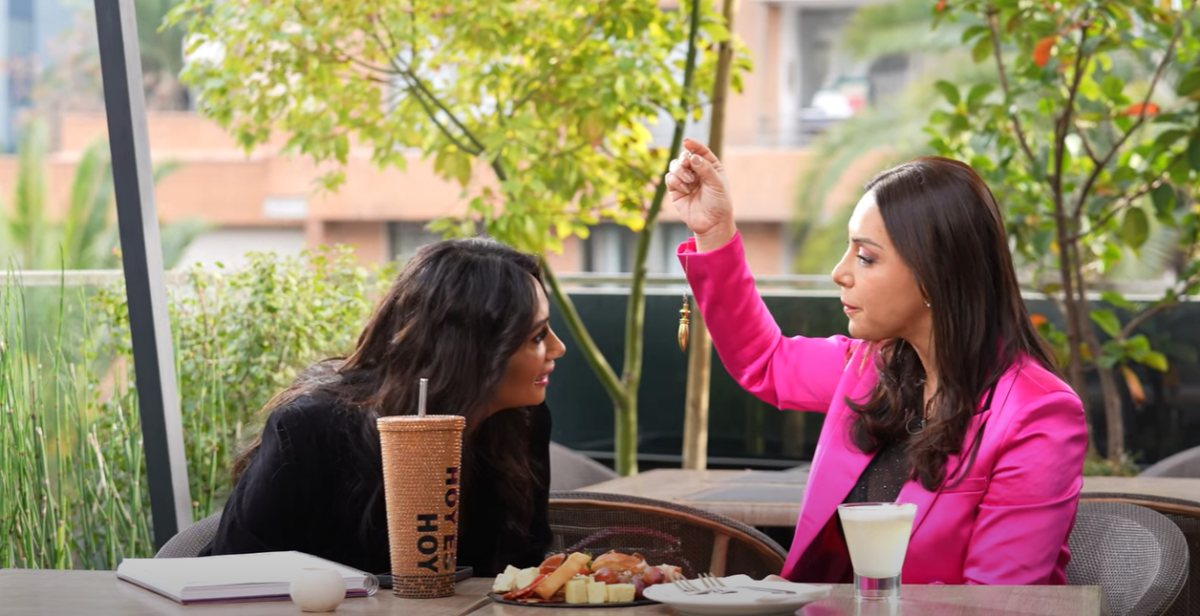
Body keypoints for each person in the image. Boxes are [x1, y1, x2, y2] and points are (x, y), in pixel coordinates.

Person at [665, 140, 1087, 585]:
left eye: (865, 257)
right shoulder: (871, 365)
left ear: (935, 274)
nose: (839, 273)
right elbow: (766, 361)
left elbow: (996, 605)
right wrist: (715, 233)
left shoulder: (1038, 415)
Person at [202, 237, 568, 577]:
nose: (558, 348)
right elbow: (233, 577)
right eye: (537, 336)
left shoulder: (522, 421)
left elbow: (523, 573)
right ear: (471, 351)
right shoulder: (310, 429)